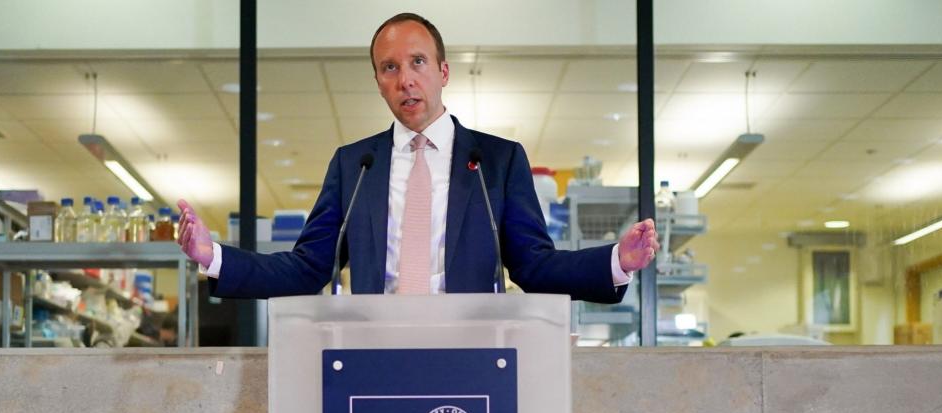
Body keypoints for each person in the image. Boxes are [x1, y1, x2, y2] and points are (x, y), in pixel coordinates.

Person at [176, 12, 658, 304]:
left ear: (443, 71)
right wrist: (211, 256)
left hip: (473, 351)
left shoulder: (497, 160)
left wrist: (618, 261)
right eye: (390, 68)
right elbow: (307, 268)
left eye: (418, 63)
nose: (405, 79)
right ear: (378, 81)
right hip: (374, 349)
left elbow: (533, 266)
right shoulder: (354, 165)